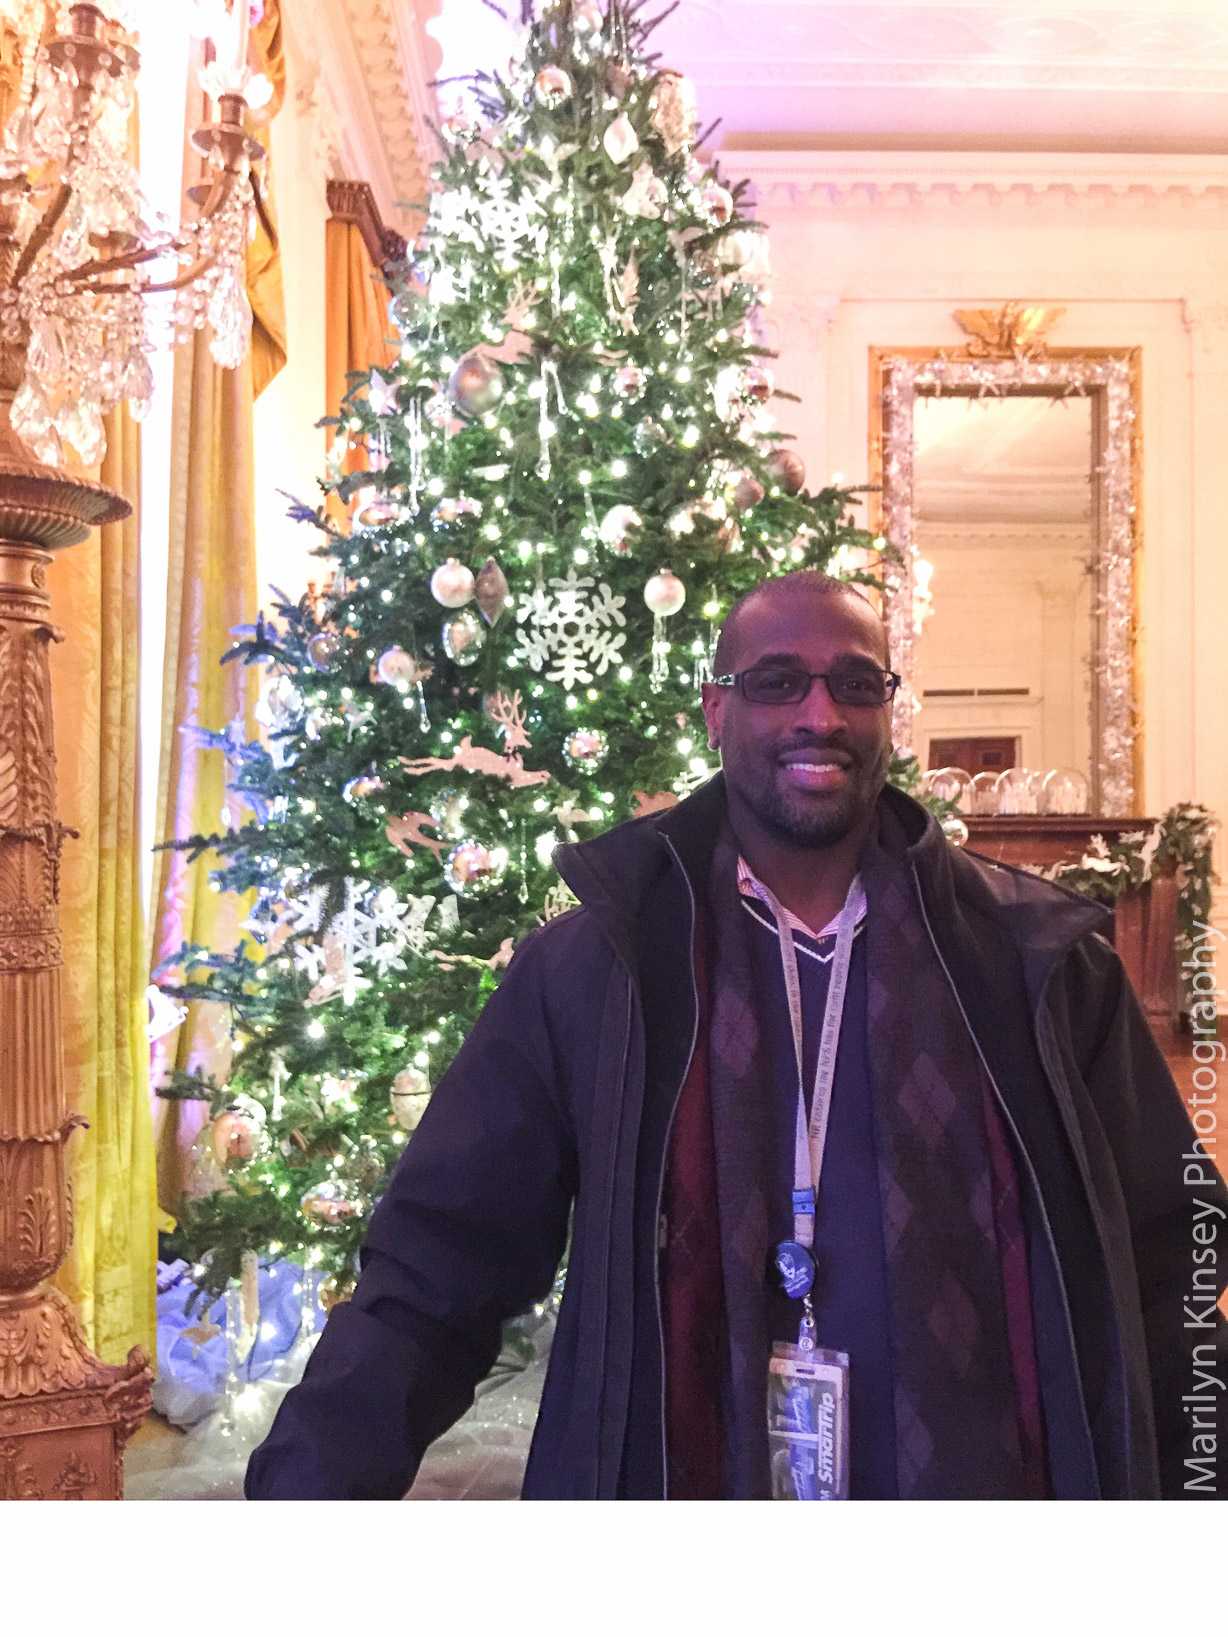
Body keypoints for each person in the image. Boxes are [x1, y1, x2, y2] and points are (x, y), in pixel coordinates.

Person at [246, 571, 1226, 1500]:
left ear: (887, 711)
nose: (820, 714)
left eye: (855, 684)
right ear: (716, 711)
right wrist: (299, 1504)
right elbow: (438, 1266)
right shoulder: (597, 969)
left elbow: (1168, 1264)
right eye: (775, 681)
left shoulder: (1039, 964)